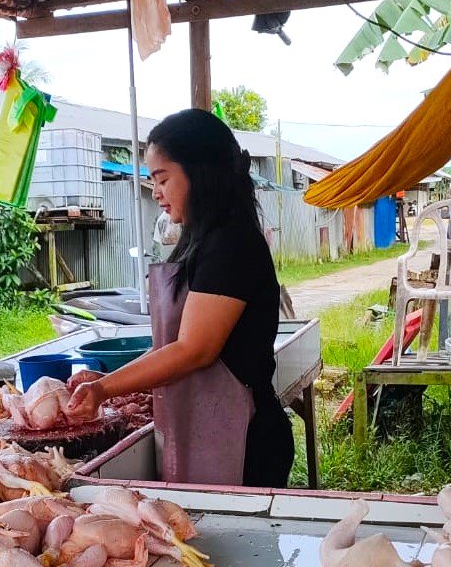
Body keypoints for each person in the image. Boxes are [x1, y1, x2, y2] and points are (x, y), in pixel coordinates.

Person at [66, 109, 294, 487]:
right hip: (208, 427)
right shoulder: (201, 237)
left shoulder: (229, 245)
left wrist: (106, 388)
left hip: (244, 438)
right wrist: (110, 378)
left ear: (200, 174)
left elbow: (193, 350)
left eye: (162, 179)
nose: (155, 192)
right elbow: (171, 345)